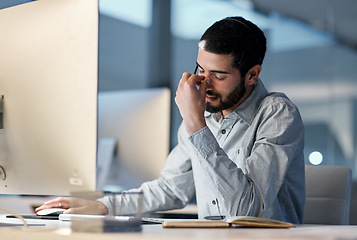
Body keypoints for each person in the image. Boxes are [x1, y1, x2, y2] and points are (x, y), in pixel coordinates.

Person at [36, 16, 305, 224]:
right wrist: (103, 206)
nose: (204, 83)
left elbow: (247, 210)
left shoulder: (277, 114)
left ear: (252, 75)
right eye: (201, 69)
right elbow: (171, 188)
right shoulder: (204, 114)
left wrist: (196, 125)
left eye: (218, 75)